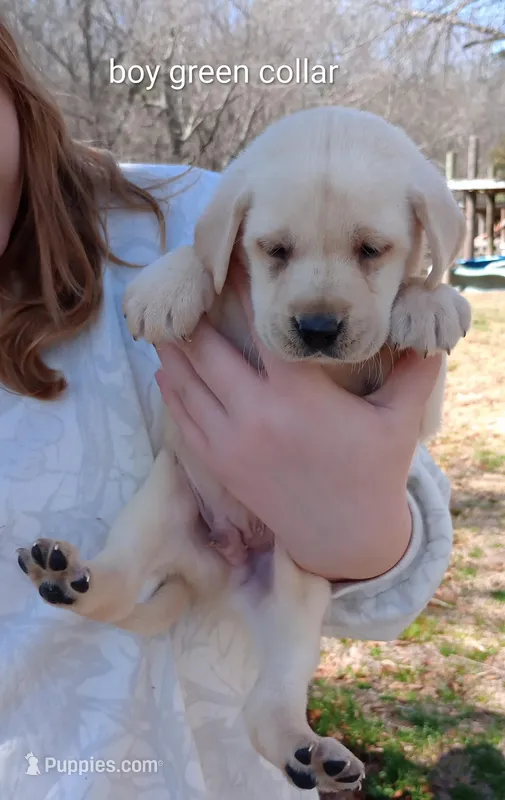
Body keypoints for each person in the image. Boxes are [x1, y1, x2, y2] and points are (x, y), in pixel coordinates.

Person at [0, 19, 453, 800]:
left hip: (229, 770)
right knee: (160, 509)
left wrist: (371, 531)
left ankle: (276, 714)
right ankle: (108, 582)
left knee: (283, 592)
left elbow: (401, 503)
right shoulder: (228, 224)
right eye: (276, 254)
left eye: (370, 252)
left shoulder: (196, 212)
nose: (319, 303)